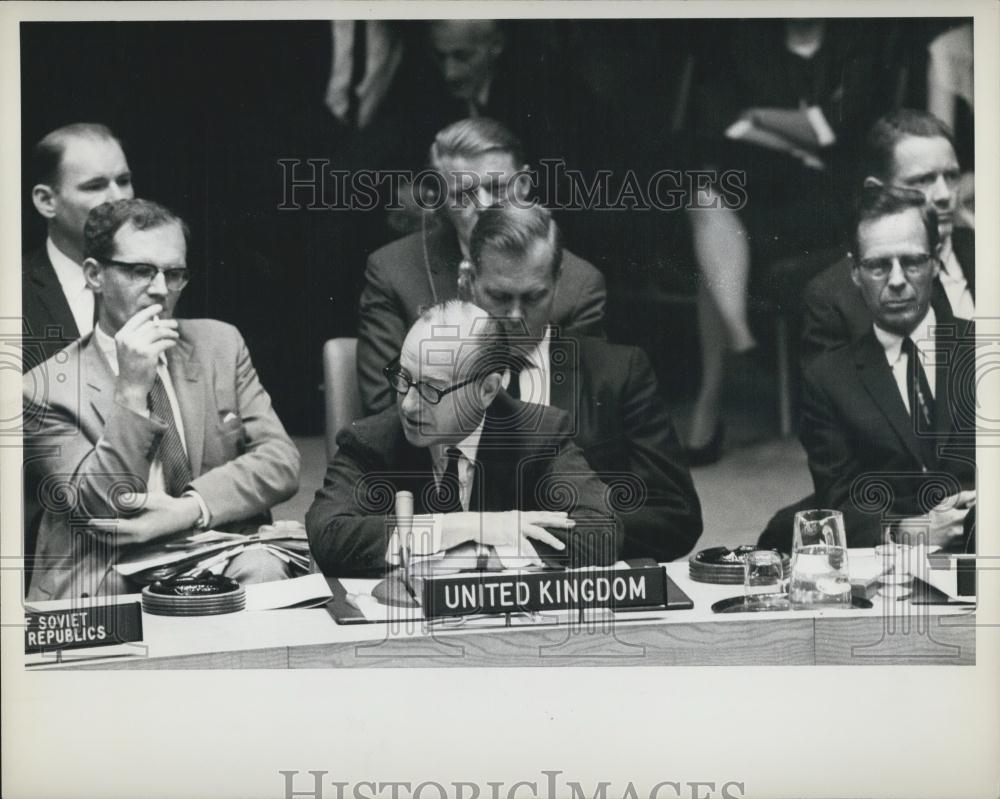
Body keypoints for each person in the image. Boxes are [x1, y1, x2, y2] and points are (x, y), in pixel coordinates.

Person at [23, 199, 300, 600]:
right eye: (141, 271)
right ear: (95, 274)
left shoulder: (220, 344)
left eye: (174, 274)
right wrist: (132, 391)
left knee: (264, 574)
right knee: (109, 601)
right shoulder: (43, 388)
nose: (160, 290)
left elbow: (281, 460)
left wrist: (190, 508)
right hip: (109, 561)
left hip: (214, 544)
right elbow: (99, 507)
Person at [683, 19, 896, 463]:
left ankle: (710, 403)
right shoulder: (748, 47)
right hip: (762, 190)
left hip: (826, 202)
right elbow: (721, 123)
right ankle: (740, 337)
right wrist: (795, 138)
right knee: (704, 198)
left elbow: (828, 129)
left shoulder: (856, 48)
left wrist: (758, 117)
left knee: (714, 259)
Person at [307, 300, 621, 577]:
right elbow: (328, 535)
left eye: (431, 389)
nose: (408, 405)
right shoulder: (372, 440)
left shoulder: (540, 434)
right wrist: (472, 527)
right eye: (403, 378)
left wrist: (476, 557)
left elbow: (601, 531)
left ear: (487, 390)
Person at [464, 204, 703, 562]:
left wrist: (542, 539)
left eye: (533, 297)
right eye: (499, 297)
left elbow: (675, 515)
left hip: (580, 579)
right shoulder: (430, 372)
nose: (515, 316)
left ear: (558, 282)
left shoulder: (617, 372)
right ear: (469, 281)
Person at [356, 117, 607, 415]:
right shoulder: (392, 271)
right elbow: (384, 404)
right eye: (463, 194)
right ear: (441, 199)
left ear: (524, 185)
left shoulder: (580, 284)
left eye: (497, 187)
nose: (485, 206)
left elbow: (581, 412)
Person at [798, 186, 975, 550]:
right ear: (855, 272)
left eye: (911, 262)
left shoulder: (983, 351)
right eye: (878, 266)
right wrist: (910, 530)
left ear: (935, 262)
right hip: (891, 559)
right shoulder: (828, 379)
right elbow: (838, 500)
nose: (896, 281)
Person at [801, 109, 974, 365]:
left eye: (951, 177)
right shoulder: (834, 299)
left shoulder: (987, 254)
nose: (944, 195)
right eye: (923, 180)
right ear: (876, 191)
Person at [23, 123, 135, 369]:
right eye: (95, 186)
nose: (119, 198)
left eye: (124, 181)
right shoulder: (13, 292)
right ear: (46, 201)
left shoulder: (161, 280)